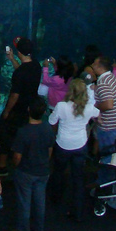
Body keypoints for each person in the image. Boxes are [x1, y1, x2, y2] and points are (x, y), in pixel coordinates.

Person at [48, 78, 100, 220]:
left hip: (63, 144)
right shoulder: (89, 108)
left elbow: (52, 121)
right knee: (78, 178)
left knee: (58, 172)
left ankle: (55, 200)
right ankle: (77, 211)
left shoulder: (61, 106)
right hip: (80, 145)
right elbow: (98, 117)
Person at [10, 97, 53, 231]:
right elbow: (49, 149)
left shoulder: (23, 132)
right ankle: (39, 229)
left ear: (28, 110)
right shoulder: (47, 128)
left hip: (26, 171)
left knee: (24, 202)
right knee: (40, 199)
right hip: (43, 170)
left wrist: (16, 167)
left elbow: (17, 157)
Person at [0, 37, 41, 174]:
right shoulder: (36, 66)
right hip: (30, 107)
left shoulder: (20, 73)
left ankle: (2, 166)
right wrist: (12, 59)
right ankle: (22, 161)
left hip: (18, 109)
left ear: (19, 52)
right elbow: (22, 71)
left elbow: (14, 95)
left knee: (4, 134)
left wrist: (7, 111)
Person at [90, 53, 116, 185]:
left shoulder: (103, 82)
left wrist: (95, 106)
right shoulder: (109, 76)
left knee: (107, 156)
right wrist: (96, 88)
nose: (92, 65)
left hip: (108, 126)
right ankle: (108, 178)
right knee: (110, 153)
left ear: (99, 67)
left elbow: (108, 104)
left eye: (94, 63)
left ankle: (106, 182)